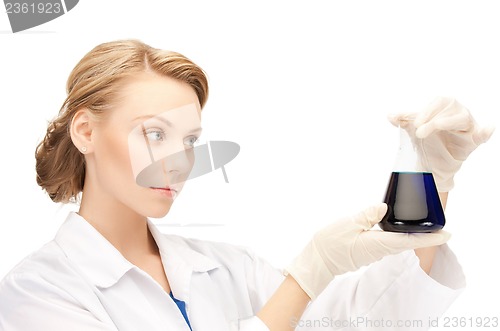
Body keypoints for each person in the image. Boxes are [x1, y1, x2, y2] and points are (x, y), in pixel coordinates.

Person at [0, 39, 493, 331]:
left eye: (189, 139)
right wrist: (305, 275)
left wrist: (430, 181)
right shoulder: (39, 292)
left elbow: (367, 318)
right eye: (154, 133)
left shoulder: (224, 268)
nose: (178, 162)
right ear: (85, 132)